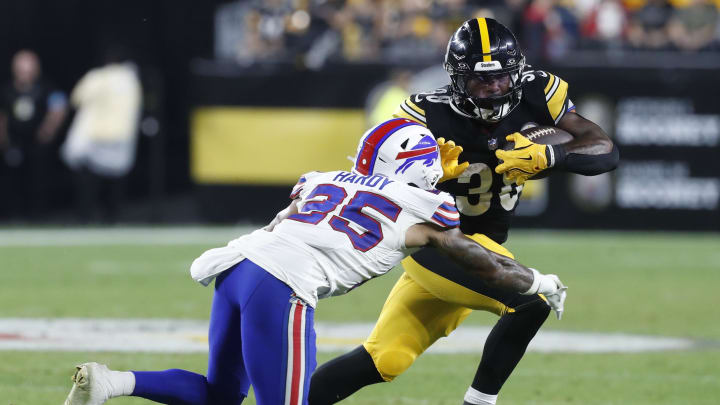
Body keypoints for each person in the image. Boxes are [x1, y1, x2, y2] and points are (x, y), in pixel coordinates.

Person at [63, 118, 567, 405]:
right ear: (415, 167)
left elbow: (284, 220)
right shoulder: (422, 207)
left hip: (239, 267)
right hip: (283, 287)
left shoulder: (323, 179)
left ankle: (113, 382)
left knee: (221, 396)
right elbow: (478, 259)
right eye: (430, 166)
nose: (437, 174)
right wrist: (537, 281)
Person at [309, 18, 618, 405]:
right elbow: (373, 180)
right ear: (456, 79)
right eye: (479, 80)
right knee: (530, 301)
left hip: (481, 246)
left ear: (518, 73)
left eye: (502, 78)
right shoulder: (423, 115)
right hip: (436, 244)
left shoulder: (540, 92)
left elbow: (604, 148)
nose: (492, 88)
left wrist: (553, 155)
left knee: (384, 359)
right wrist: (428, 175)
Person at [61, 46, 142, 223]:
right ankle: (111, 217)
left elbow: (77, 98)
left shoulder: (97, 77)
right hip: (120, 137)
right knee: (114, 180)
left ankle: (86, 216)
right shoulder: (131, 80)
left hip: (95, 136)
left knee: (90, 181)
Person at [0, 50, 68, 220]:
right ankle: (13, 216)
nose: (25, 74)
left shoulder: (46, 88)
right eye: (21, 69)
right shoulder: (7, 90)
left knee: (38, 181)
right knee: (12, 183)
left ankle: (38, 216)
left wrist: (48, 130)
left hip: (37, 144)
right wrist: (4, 140)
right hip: (14, 144)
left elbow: (59, 107)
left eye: (29, 69)